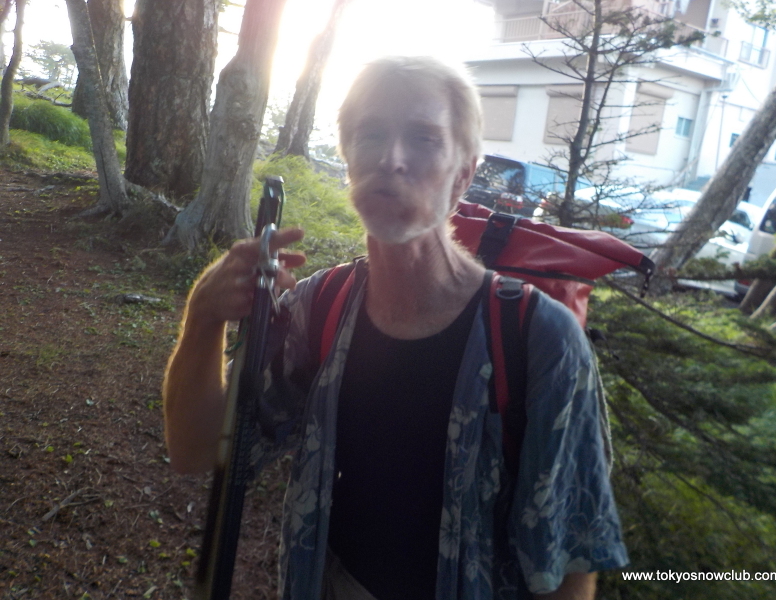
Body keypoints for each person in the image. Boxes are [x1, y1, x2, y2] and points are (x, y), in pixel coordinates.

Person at [163, 56, 628, 600]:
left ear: (463, 174)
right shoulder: (321, 308)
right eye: (371, 134)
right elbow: (195, 449)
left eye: (424, 138)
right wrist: (204, 316)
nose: (391, 159)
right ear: (348, 161)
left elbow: (571, 565)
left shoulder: (538, 339)